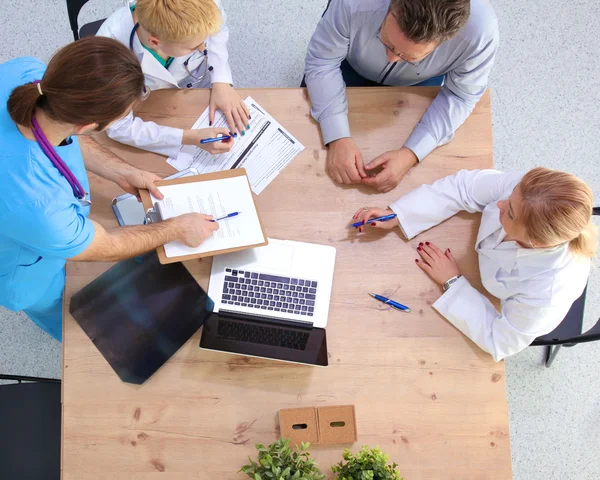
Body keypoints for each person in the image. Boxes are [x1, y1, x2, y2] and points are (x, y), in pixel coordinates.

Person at [0, 37, 219, 342]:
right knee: (65, 317)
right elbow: (104, 246)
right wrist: (177, 228)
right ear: (88, 125)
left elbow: (63, 130)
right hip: (25, 269)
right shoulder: (42, 208)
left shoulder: (27, 74)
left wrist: (124, 171)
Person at [353, 168, 596, 361]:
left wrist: (453, 283)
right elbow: (465, 187)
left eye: (509, 212)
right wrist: (399, 214)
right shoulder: (529, 193)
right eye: (509, 197)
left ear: (536, 241)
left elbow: (500, 340)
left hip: (506, 307)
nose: (499, 204)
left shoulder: (548, 291)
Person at [304, 0, 498, 192]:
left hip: (418, 82)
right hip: (347, 62)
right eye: (386, 39)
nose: (391, 58)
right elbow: (322, 61)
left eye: (409, 57)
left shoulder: (480, 33)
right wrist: (337, 135)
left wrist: (411, 153)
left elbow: (460, 96)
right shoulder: (352, 3)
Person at [97, 0, 248, 158]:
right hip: (152, 110)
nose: (204, 48)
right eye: (193, 47)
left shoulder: (202, 4)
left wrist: (221, 81)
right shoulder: (107, 55)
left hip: (197, 91)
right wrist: (188, 138)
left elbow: (218, 30)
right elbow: (119, 126)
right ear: (155, 42)